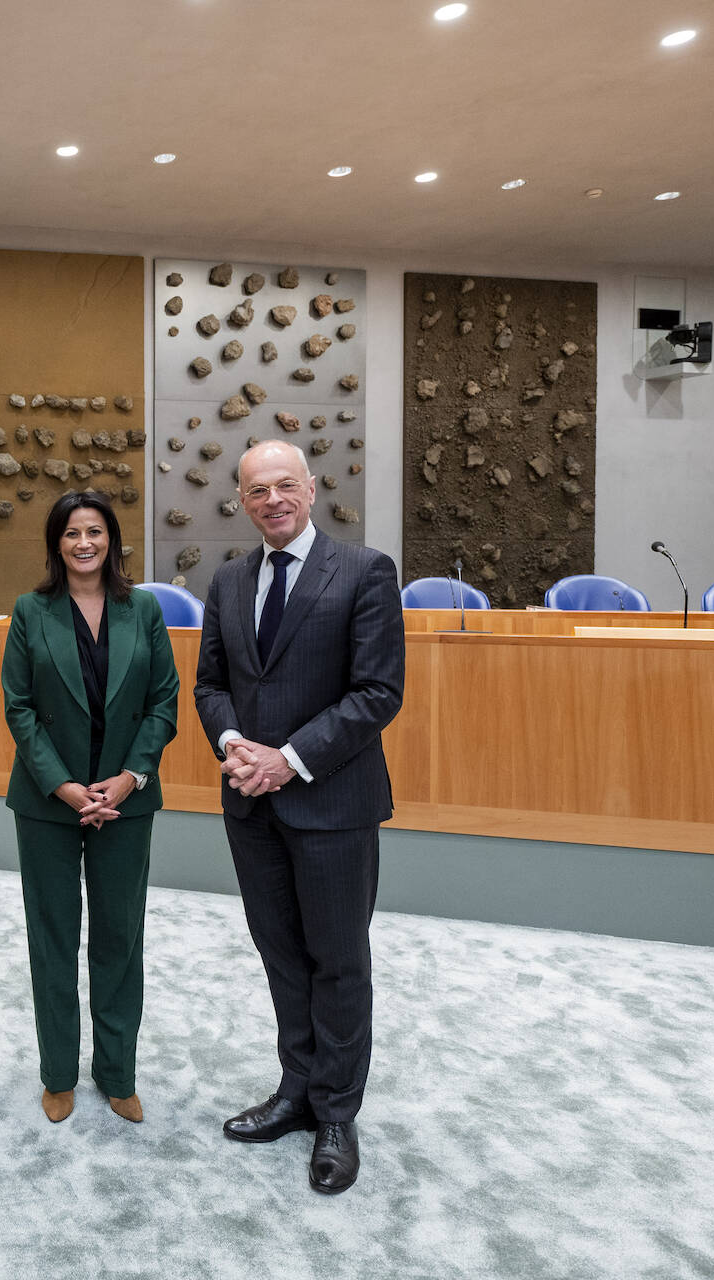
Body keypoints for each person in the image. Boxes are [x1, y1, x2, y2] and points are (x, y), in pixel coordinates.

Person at [193, 439, 405, 1194]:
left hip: (332, 803)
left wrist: (288, 759)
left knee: (338, 962)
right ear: (242, 502)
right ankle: (298, 1091)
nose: (273, 499)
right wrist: (233, 744)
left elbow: (377, 692)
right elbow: (210, 685)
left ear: (311, 489)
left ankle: (337, 1114)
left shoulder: (365, 571)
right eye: (257, 490)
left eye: (285, 485)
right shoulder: (228, 580)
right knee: (281, 954)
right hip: (251, 806)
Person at [0, 491, 179, 1125]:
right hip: (49, 802)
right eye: (72, 533)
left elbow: (164, 701)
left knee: (119, 937)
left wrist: (129, 779)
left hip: (126, 800)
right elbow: (19, 707)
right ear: (57, 542)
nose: (84, 543)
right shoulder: (31, 610)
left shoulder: (144, 609)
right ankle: (57, 1074)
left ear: (112, 539)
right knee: (52, 939)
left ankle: (117, 1073)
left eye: (95, 531)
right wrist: (64, 786)